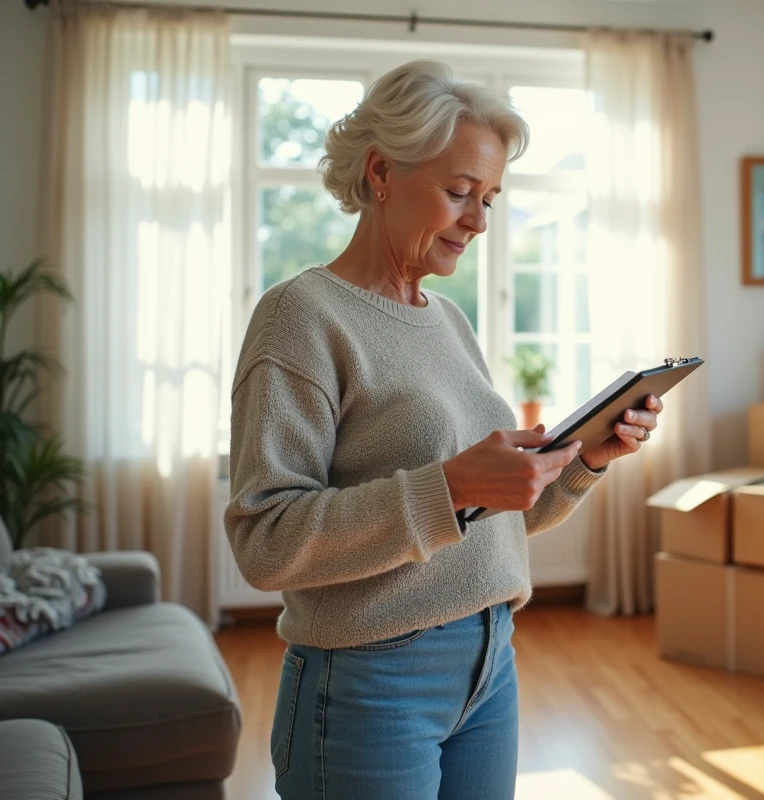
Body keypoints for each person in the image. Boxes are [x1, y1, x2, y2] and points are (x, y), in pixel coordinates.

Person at [224, 60, 664, 800]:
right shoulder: (301, 317)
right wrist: (449, 485)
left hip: (491, 663)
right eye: (460, 192)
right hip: (368, 678)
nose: (480, 221)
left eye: (489, 198)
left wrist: (587, 458)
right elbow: (265, 542)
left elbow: (494, 522)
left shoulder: (449, 319)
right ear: (381, 172)